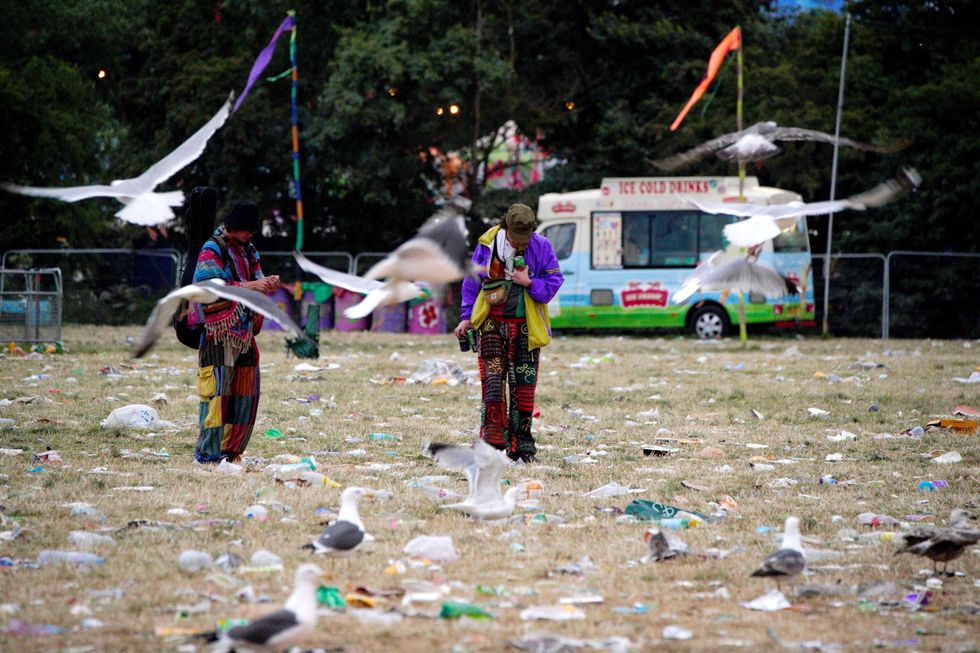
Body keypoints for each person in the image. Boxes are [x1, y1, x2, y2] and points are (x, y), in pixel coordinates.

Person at [455, 203, 564, 462]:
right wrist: (466, 318)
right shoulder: (488, 243)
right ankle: (491, 445)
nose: (520, 243)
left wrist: (528, 282)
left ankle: (522, 448)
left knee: (523, 387)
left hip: (526, 326)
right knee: (493, 385)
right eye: (516, 237)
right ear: (505, 228)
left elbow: (554, 281)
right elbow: (472, 282)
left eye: (524, 237)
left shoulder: (541, 246)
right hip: (491, 323)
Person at [188, 201, 280, 463]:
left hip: (243, 332)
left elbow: (258, 282)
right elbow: (207, 287)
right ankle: (208, 454)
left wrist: (269, 283)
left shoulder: (249, 250)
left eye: (252, 232)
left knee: (245, 393)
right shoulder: (212, 248)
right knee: (217, 394)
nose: (250, 236)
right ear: (233, 227)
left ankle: (231, 451)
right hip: (219, 332)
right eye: (246, 231)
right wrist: (252, 284)